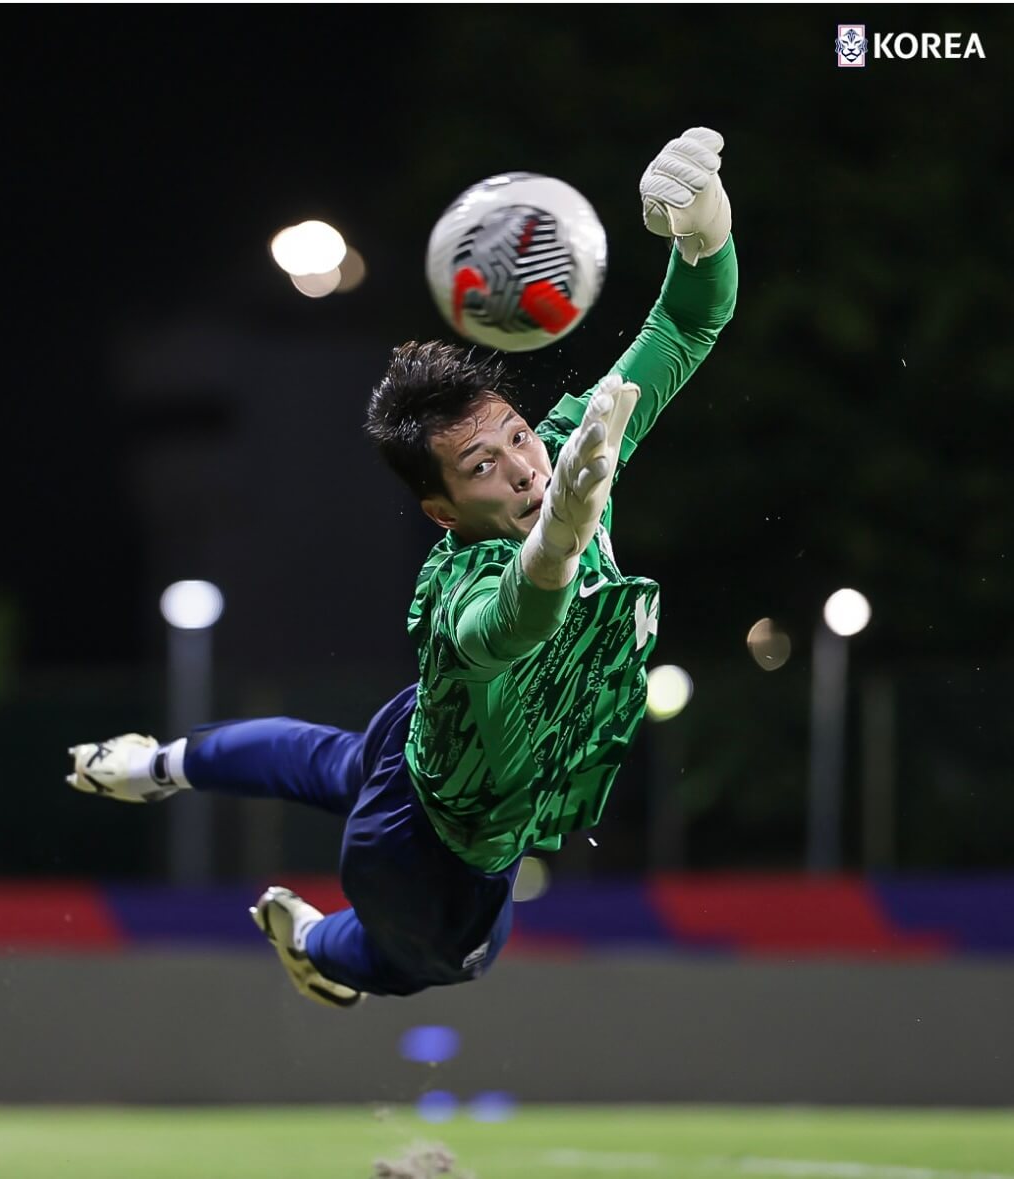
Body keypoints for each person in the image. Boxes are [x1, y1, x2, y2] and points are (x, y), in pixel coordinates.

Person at [68, 128, 739, 1007]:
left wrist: (702, 232)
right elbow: (515, 619)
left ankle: (156, 766)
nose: (524, 466)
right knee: (446, 958)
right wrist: (563, 534)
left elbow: (687, 321)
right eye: (480, 467)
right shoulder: (464, 585)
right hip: (430, 846)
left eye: (515, 436)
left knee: (339, 762)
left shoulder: (579, 448)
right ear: (442, 513)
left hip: (430, 740)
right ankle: (322, 945)